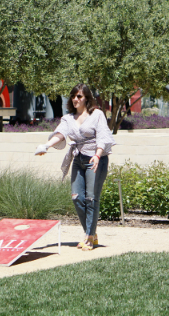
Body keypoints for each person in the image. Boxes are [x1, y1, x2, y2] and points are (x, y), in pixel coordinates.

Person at [35, 84, 114, 251]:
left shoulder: (97, 114)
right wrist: (46, 146)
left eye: (79, 96)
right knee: (76, 197)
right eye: (73, 96)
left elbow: (103, 136)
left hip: (96, 159)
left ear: (86, 98)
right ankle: (91, 232)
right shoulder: (68, 118)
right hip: (78, 159)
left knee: (91, 198)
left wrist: (98, 155)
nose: (75, 99)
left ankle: (89, 237)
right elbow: (60, 134)